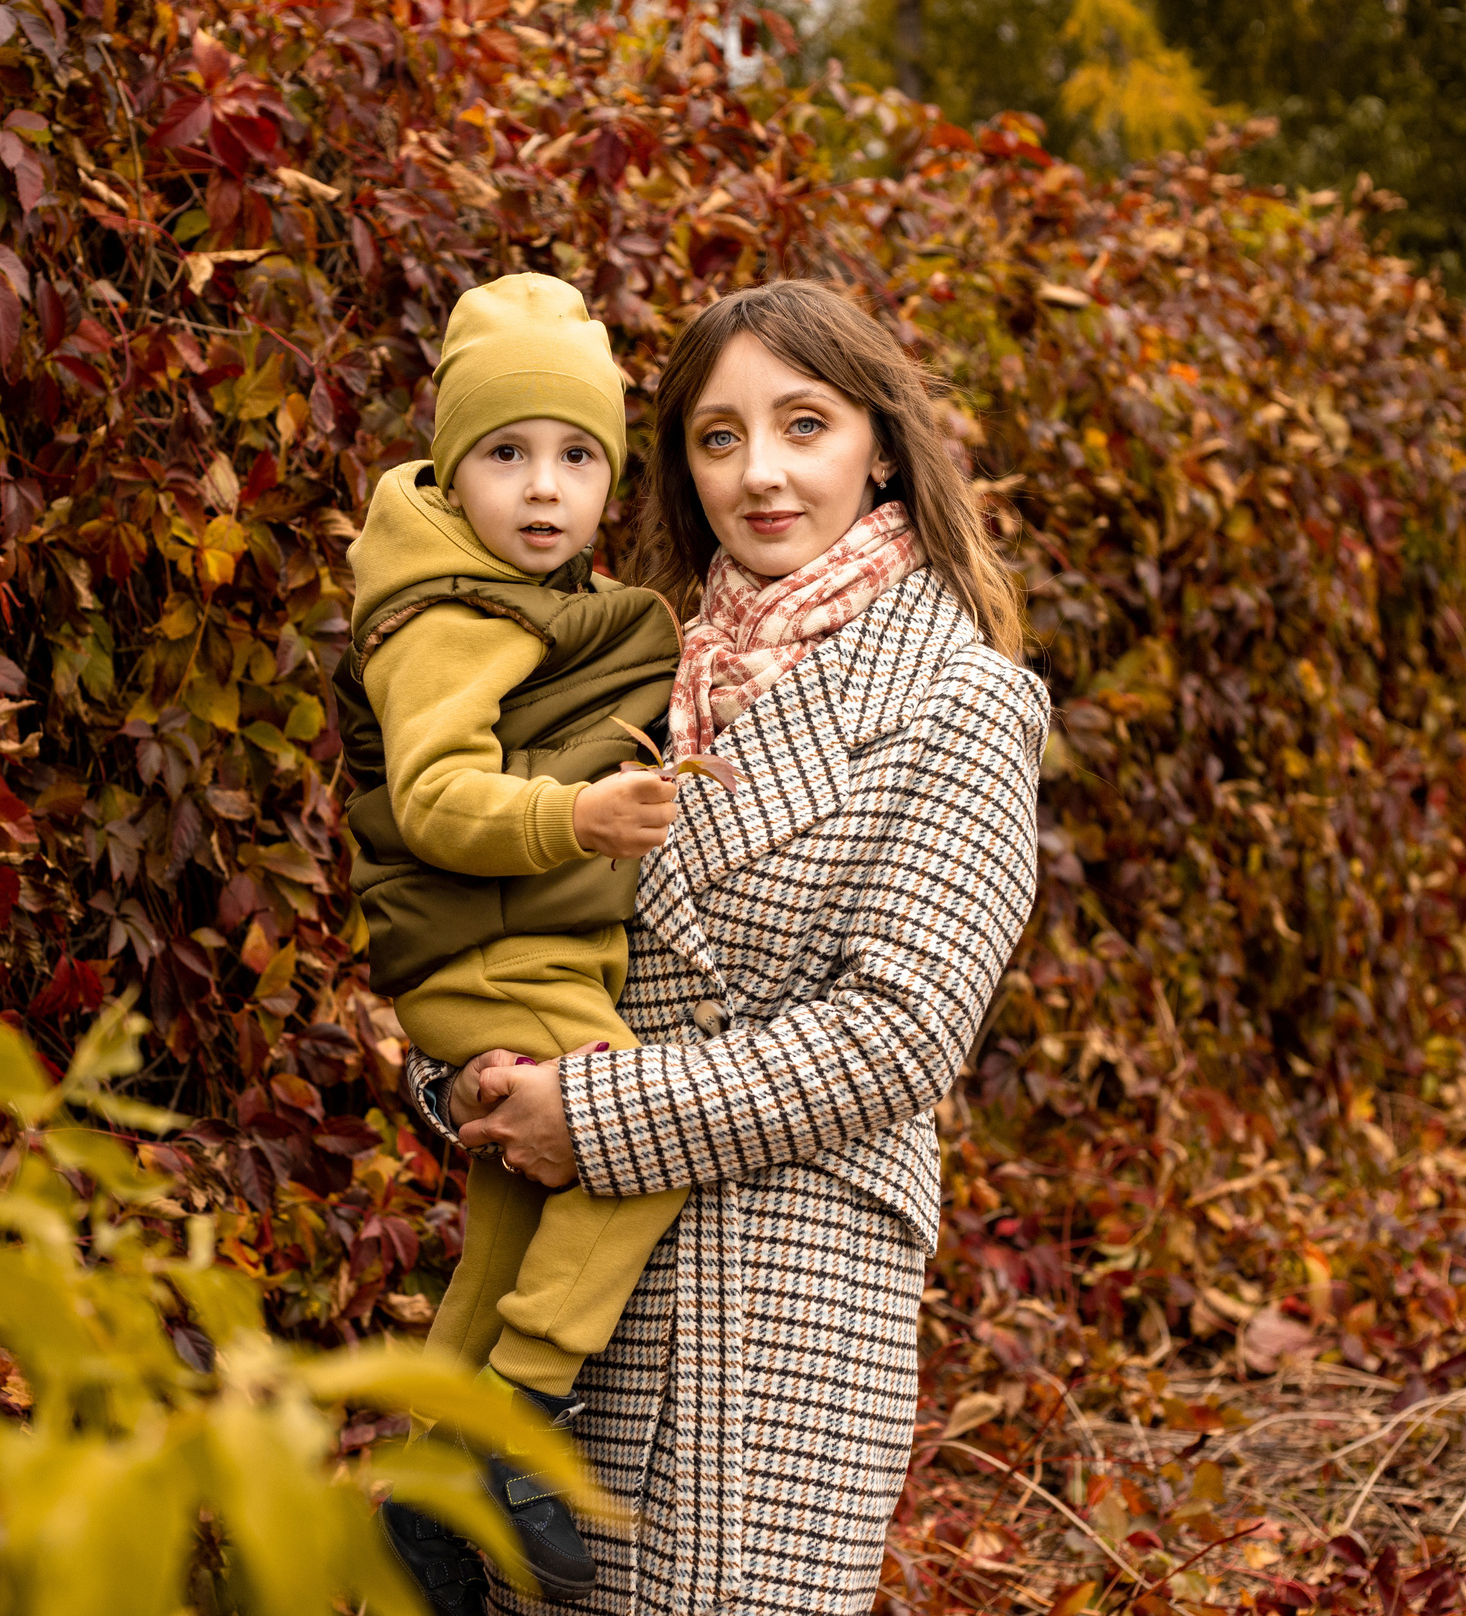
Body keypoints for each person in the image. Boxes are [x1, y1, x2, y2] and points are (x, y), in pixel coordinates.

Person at [407, 279, 1048, 1615]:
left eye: (803, 425)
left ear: (881, 446)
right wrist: (468, 1081)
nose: (760, 472)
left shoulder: (963, 696)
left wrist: (589, 1115)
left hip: (778, 1300)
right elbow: (493, 922)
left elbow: (901, 1033)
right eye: (718, 436)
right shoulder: (623, 670)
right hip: (560, 1293)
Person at [332, 274, 692, 1609]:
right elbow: (432, 798)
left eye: (578, 457)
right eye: (506, 454)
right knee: (641, 1143)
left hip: (513, 955)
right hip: (495, 958)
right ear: (449, 467)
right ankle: (518, 1423)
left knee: (505, 1236)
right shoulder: (446, 614)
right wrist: (574, 817)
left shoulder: (521, 595)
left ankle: (421, 1504)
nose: (545, 488)